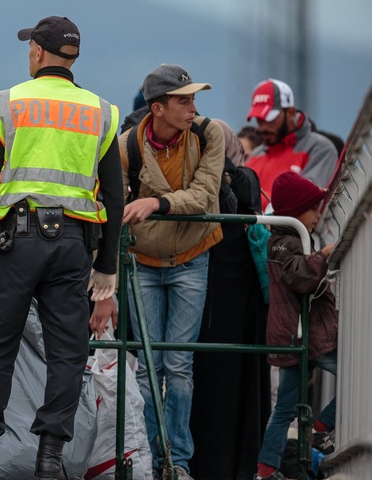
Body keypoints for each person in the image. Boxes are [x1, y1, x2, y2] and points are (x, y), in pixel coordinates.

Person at [0, 16, 123, 480]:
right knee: (67, 354)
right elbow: (115, 195)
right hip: (74, 247)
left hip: (16, 242)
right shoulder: (101, 112)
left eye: (31, 47)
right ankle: (49, 461)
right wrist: (107, 266)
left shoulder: (8, 103)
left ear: (39, 52)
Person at [115, 64, 224, 480]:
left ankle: (177, 462)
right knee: (147, 366)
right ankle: (147, 459)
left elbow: (205, 197)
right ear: (157, 108)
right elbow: (113, 205)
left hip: (191, 258)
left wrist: (154, 203)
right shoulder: (126, 146)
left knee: (177, 365)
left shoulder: (209, 134)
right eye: (184, 100)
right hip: (142, 261)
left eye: (193, 99)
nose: (193, 107)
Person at [189, 120, 271, 480]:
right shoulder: (245, 178)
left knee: (195, 381)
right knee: (242, 389)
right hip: (240, 309)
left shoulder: (194, 181)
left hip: (199, 302)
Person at [253, 172, 338, 480]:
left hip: (297, 336)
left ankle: (265, 470)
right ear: (296, 211)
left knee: (283, 410)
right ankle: (320, 429)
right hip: (306, 336)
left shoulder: (283, 240)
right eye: (313, 208)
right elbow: (299, 278)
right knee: (358, 374)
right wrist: (323, 255)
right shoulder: (286, 243)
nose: (318, 215)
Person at [245, 79, 338, 211]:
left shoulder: (320, 149)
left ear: (290, 113)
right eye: (259, 119)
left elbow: (304, 202)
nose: (263, 127)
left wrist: (250, 202)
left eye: (270, 118)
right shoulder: (256, 155)